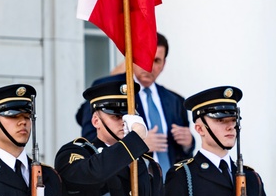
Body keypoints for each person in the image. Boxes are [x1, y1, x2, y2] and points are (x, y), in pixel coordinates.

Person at [77, 33, 193, 173]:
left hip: (168, 187)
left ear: (163, 64)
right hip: (128, 184)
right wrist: (135, 144)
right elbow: (91, 138)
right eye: (144, 58)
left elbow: (183, 155)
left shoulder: (175, 100)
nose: (149, 67)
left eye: (156, 61)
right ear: (132, 58)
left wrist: (189, 143)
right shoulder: (111, 89)